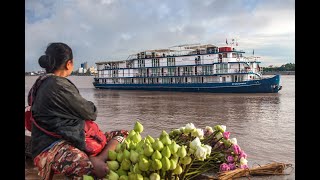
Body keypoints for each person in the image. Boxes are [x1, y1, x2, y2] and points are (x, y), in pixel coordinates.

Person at [28, 42, 128, 180]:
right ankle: (95, 160)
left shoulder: (40, 82)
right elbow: (90, 112)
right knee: (90, 170)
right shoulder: (58, 84)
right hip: (52, 145)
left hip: (58, 138)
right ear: (69, 64)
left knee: (122, 134)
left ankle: (97, 158)